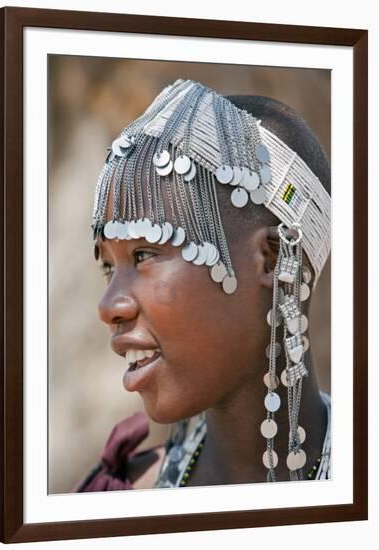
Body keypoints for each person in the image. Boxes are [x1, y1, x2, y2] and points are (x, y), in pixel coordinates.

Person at [72, 79, 331, 492]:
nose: (109, 306)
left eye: (145, 253)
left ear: (274, 259)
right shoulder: (116, 497)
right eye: (108, 266)